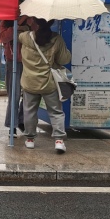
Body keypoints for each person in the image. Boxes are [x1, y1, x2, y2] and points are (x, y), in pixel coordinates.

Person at [18, 17, 72, 153]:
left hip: (29, 82)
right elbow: (64, 59)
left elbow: (17, 34)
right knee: (56, 111)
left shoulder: (25, 37)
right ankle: (59, 140)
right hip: (49, 82)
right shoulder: (56, 39)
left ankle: (30, 139)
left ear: (35, 22)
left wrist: (24, 25)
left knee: (29, 111)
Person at [0, 15, 30, 137]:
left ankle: (22, 120)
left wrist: (25, 24)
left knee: (30, 94)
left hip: (29, 62)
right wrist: (17, 26)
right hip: (13, 62)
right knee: (14, 95)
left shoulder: (30, 19)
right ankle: (12, 125)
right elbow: (3, 37)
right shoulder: (6, 22)